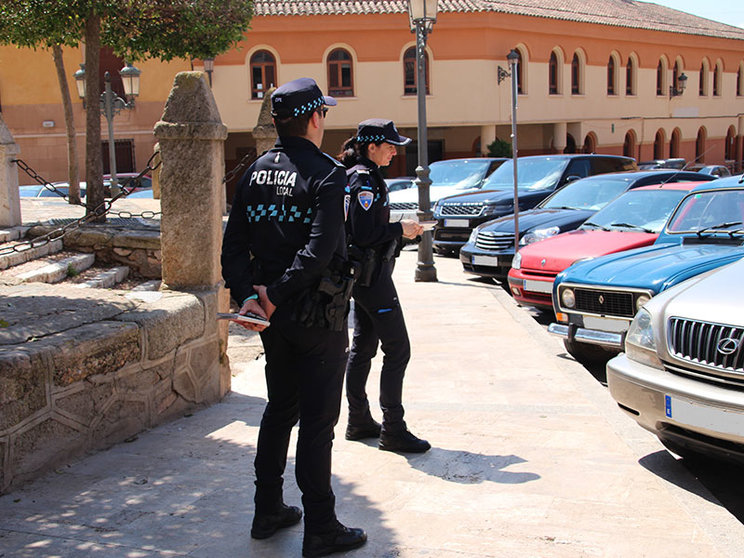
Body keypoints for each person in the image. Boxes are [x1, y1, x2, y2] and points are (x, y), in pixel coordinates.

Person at [221, 77, 367, 558]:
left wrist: (251, 298)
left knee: (280, 408)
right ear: (314, 118)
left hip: (271, 319)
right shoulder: (328, 174)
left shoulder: (255, 171)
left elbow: (233, 247)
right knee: (318, 422)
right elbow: (320, 249)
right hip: (314, 317)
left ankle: (267, 510)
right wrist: (277, 296)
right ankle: (321, 527)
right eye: (323, 113)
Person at [340, 118, 430, 453]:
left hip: (366, 276)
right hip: (372, 278)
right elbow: (363, 235)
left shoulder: (360, 175)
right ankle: (393, 428)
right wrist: (399, 230)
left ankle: (358, 419)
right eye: (390, 145)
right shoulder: (364, 180)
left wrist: (400, 233)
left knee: (364, 347)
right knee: (398, 349)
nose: (394, 151)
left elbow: (365, 229)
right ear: (371, 146)